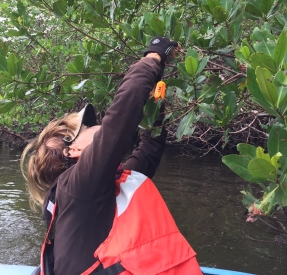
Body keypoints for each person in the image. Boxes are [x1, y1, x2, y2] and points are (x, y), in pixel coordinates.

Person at [21, 37, 203, 275]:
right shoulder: (77, 185)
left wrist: (155, 104)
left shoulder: (101, 187)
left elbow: (150, 149)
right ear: (73, 151)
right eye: (88, 128)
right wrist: (154, 56)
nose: (98, 126)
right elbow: (119, 121)